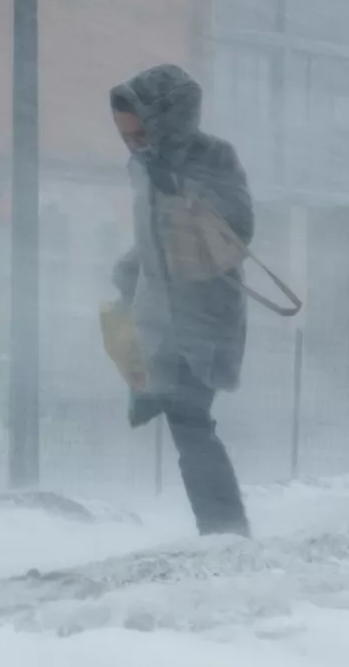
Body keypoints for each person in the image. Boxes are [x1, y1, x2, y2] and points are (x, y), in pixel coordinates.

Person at [109, 63, 253, 538]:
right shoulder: (144, 167)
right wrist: (130, 270)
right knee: (184, 420)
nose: (132, 143)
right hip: (161, 316)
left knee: (190, 420)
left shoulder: (213, 156)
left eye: (138, 132)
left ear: (164, 119)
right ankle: (221, 528)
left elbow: (237, 229)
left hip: (206, 316)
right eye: (125, 136)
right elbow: (155, 239)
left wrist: (185, 188)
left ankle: (225, 529)